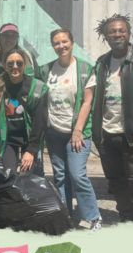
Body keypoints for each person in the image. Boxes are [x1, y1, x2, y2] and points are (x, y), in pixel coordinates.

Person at [40, 29, 101, 230]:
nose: (61, 46)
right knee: (60, 176)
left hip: (77, 133)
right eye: (56, 43)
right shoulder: (46, 70)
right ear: (53, 45)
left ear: (72, 42)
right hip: (54, 132)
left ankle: (93, 218)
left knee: (77, 174)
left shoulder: (84, 68)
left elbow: (87, 102)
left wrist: (77, 131)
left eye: (64, 42)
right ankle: (66, 216)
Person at [86, 14, 133, 222]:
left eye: (121, 30)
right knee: (116, 180)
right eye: (112, 31)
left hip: (130, 133)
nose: (117, 34)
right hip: (108, 134)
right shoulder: (102, 63)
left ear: (129, 33)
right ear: (105, 36)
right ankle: (125, 218)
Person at [0, 48, 48, 174]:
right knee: (9, 175)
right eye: (10, 63)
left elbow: (39, 122)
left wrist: (31, 150)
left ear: (24, 65)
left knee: (27, 177)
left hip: (29, 139)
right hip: (9, 140)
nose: (15, 66)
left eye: (19, 63)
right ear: (5, 65)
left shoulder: (36, 88)